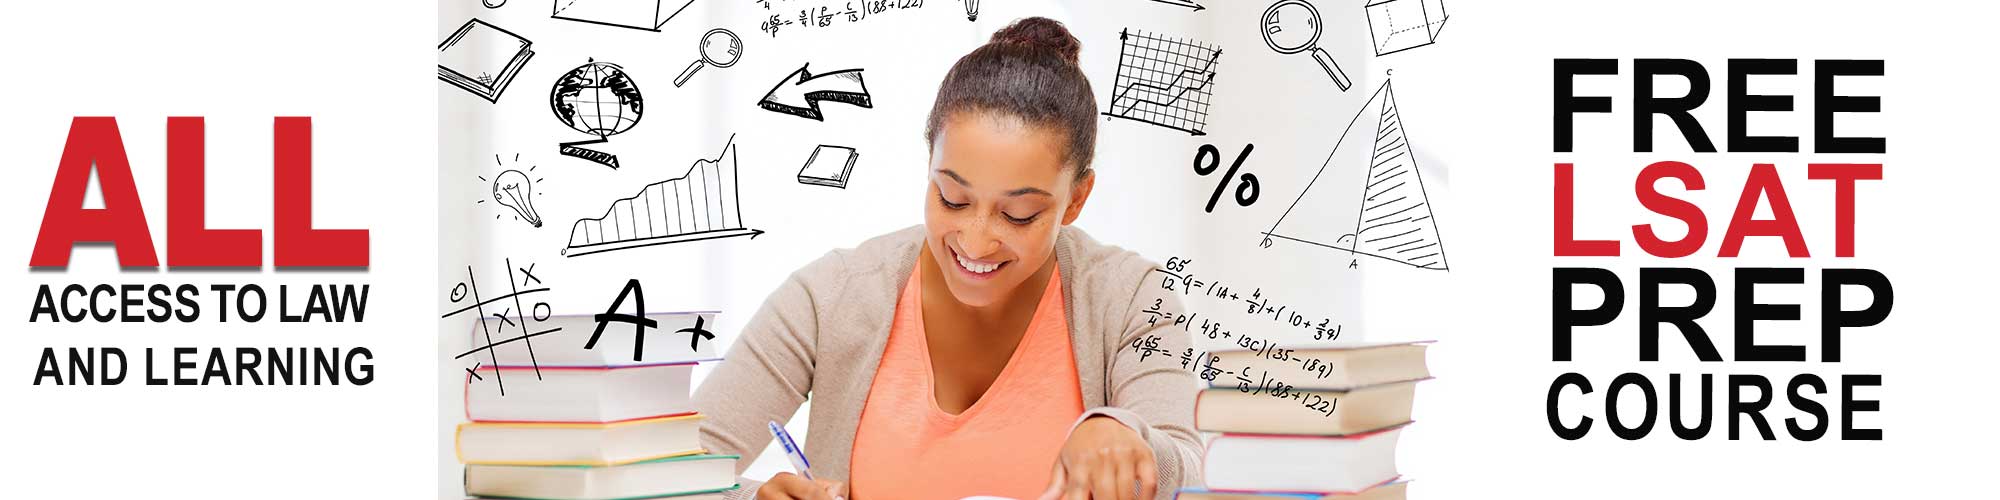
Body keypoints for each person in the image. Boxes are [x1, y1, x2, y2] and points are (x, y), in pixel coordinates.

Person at [691, 17, 1201, 500]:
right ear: (928, 165)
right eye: (952, 200)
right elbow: (670, 471)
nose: (976, 242)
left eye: (1019, 214)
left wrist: (1128, 438)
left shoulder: (1132, 298)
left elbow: (1190, 465)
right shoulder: (830, 298)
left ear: (1076, 199)